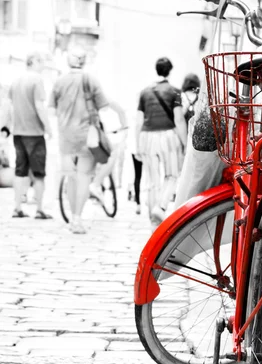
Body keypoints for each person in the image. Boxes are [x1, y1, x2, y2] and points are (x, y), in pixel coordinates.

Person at [49, 46, 127, 234]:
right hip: (87, 136)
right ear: (84, 61)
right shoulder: (90, 79)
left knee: (70, 177)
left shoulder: (59, 81)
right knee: (84, 177)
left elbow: (51, 109)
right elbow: (104, 107)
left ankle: (70, 218)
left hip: (66, 137)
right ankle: (76, 219)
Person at [136, 57, 187, 230]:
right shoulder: (175, 92)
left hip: (147, 136)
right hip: (168, 136)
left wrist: (138, 144)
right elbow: (179, 119)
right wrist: (185, 142)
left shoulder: (144, 92)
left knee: (151, 179)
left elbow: (139, 120)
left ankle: (152, 219)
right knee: (172, 175)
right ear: (169, 71)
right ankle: (161, 206)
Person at [8, 51, 53, 219]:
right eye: (41, 62)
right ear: (33, 62)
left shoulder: (16, 80)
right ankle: (40, 209)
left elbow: (10, 107)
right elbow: (39, 106)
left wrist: (9, 126)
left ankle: (17, 207)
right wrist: (48, 128)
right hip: (34, 133)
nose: (42, 66)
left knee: (20, 170)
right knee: (39, 172)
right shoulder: (37, 80)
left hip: (18, 132)